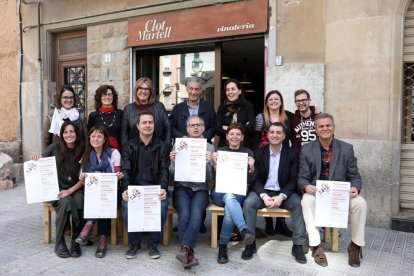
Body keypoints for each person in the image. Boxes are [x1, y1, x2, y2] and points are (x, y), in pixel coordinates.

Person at [298, 113, 367, 267]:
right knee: (306, 201)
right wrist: (305, 186)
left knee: (360, 203)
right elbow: (302, 177)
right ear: (316, 130)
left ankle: (355, 245)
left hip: (339, 196)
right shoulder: (306, 149)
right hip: (318, 194)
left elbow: (355, 175)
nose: (325, 128)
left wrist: (355, 187)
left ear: (334, 127)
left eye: (328, 125)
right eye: (321, 126)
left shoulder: (347, 149)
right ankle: (316, 245)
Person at [243, 122, 307, 263]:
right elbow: (255, 179)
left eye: (278, 132)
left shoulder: (291, 153)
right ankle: (250, 242)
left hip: (284, 192)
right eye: (272, 132)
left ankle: (298, 245)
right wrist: (264, 196)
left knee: (299, 204)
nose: (275, 135)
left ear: (284, 136)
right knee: (248, 203)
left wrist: (282, 196)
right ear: (267, 135)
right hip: (263, 191)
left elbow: (293, 179)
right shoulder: (260, 152)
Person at [121, 110, 170, 259]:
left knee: (162, 206)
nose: (147, 125)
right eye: (144, 122)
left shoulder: (162, 146)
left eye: (150, 122)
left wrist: (163, 189)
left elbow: (164, 170)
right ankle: (134, 243)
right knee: (126, 205)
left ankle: (153, 244)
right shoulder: (129, 146)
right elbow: (126, 170)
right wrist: (125, 189)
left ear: (154, 125)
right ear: (137, 125)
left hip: (154, 190)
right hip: (135, 189)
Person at [32, 121, 85, 258]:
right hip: (55, 189)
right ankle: (59, 242)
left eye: (71, 131)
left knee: (79, 200)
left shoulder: (83, 149)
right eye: (65, 132)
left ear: (76, 133)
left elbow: (84, 177)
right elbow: (40, 162)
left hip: (76, 188)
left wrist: (71, 190)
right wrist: (36, 159)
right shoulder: (54, 148)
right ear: (62, 134)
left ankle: (75, 240)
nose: (69, 135)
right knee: (66, 202)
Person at [169, 115, 215, 268]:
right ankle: (190, 253)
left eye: (198, 125)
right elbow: (171, 173)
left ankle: (184, 250)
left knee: (195, 217)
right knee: (184, 216)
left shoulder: (209, 147)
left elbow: (210, 178)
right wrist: (174, 163)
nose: (195, 128)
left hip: (201, 189)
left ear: (203, 128)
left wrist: (209, 164)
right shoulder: (179, 145)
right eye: (192, 125)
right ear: (187, 128)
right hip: (182, 187)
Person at [74, 126, 123, 258]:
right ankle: (102, 242)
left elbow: (118, 175)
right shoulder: (86, 155)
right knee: (99, 201)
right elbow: (82, 177)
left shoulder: (113, 153)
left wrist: (118, 176)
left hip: (111, 193)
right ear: (89, 138)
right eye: (93, 136)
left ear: (105, 139)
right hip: (93, 194)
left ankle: (88, 226)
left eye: (99, 136)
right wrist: (82, 177)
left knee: (103, 201)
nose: (96, 139)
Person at [211, 123, 255, 264]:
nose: (234, 137)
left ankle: (223, 247)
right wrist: (215, 165)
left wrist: (252, 167)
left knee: (230, 201)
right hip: (219, 192)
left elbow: (251, 179)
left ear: (242, 137)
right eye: (232, 134)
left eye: (238, 134)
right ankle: (243, 229)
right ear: (227, 136)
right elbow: (213, 177)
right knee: (229, 196)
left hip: (239, 192)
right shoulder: (221, 151)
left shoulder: (248, 153)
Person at [253, 90, 293, 237]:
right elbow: (256, 139)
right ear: (266, 102)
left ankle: (281, 224)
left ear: (281, 101)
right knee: (267, 185)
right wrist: (256, 156)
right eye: (271, 99)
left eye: (277, 99)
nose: (274, 101)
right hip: (264, 155)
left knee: (281, 184)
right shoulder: (260, 117)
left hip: (284, 155)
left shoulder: (288, 117)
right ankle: (269, 223)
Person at [121, 77, 170, 147]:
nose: (143, 91)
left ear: (150, 92)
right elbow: (124, 135)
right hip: (134, 151)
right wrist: (126, 152)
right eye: (140, 88)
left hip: (158, 150)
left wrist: (166, 148)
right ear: (136, 90)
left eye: (146, 89)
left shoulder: (159, 107)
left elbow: (167, 128)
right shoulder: (128, 109)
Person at [169, 76, 216, 143]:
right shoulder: (177, 109)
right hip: (183, 146)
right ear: (187, 89)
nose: (193, 92)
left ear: (200, 91)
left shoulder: (208, 107)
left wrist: (204, 137)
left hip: (203, 146)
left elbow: (214, 126)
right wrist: (182, 137)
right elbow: (171, 127)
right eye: (191, 88)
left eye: (196, 89)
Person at [42, 85, 86, 152]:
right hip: (58, 156)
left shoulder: (80, 116)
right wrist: (46, 158)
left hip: (77, 155)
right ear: (60, 98)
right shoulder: (51, 117)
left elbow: (85, 138)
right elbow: (45, 141)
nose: (69, 100)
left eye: (71, 97)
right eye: (65, 97)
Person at [215, 79, 255, 148]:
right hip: (224, 146)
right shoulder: (222, 108)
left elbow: (251, 126)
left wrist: (227, 128)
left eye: (233, 89)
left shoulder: (248, 106)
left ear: (239, 91)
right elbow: (217, 129)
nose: (230, 92)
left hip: (244, 146)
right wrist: (241, 129)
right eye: (228, 90)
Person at [87, 85, 124, 150]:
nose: (107, 97)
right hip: (99, 151)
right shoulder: (93, 115)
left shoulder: (121, 113)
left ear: (113, 97)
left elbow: (124, 135)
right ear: (99, 98)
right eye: (104, 95)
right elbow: (90, 136)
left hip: (118, 151)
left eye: (109, 95)